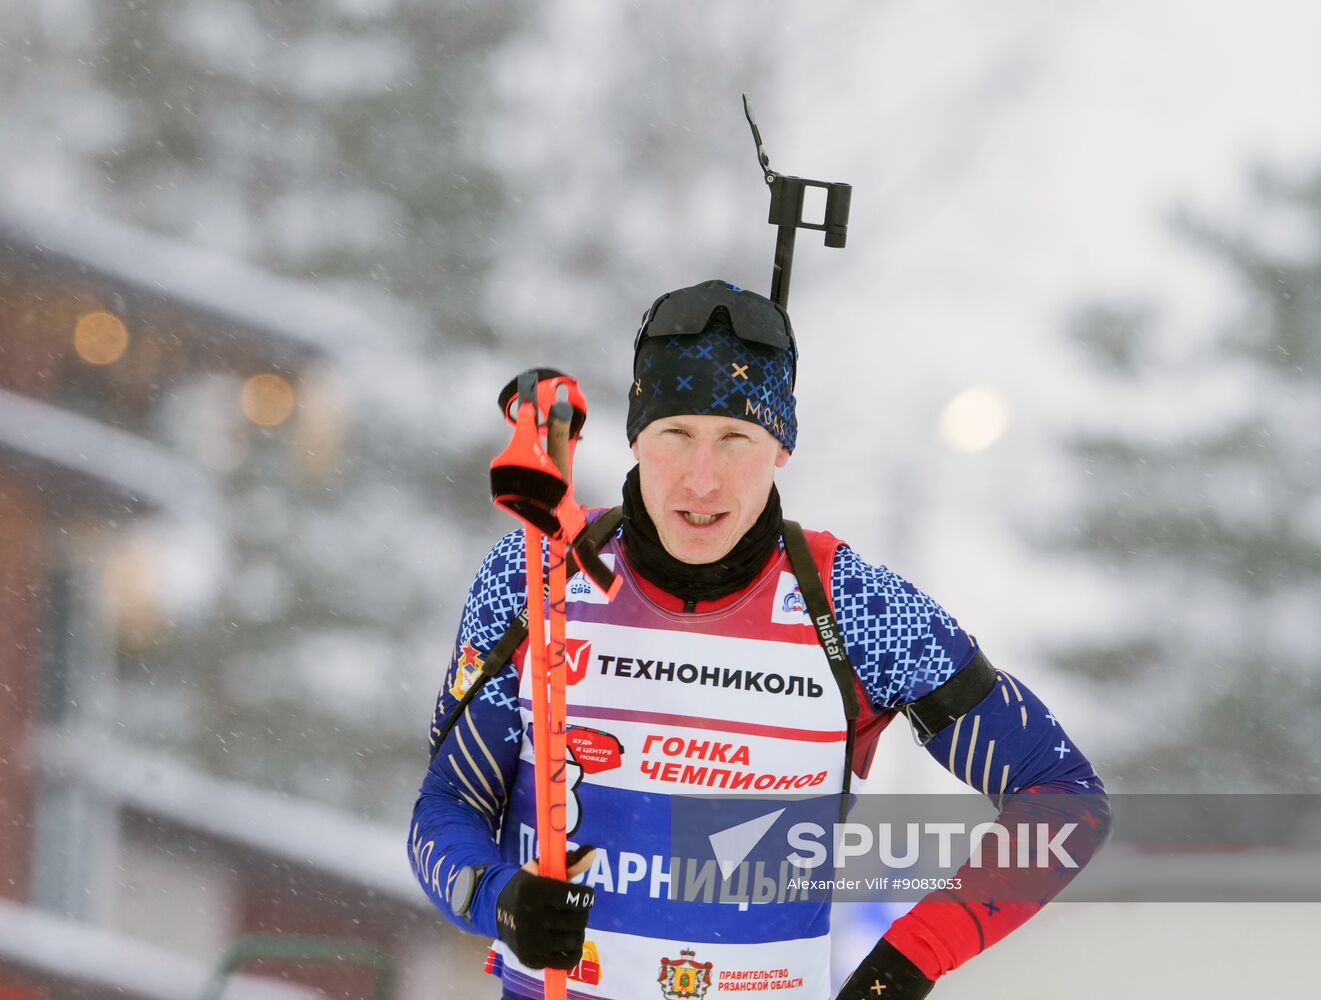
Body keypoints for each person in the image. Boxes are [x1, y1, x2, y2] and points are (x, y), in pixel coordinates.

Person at [409, 279, 1110, 999]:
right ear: (636, 438)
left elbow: (1063, 800)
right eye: (675, 434)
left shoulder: (855, 608)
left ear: (780, 447)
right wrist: (497, 898)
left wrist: (910, 959)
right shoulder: (535, 572)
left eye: (736, 440)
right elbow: (447, 807)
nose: (702, 479)